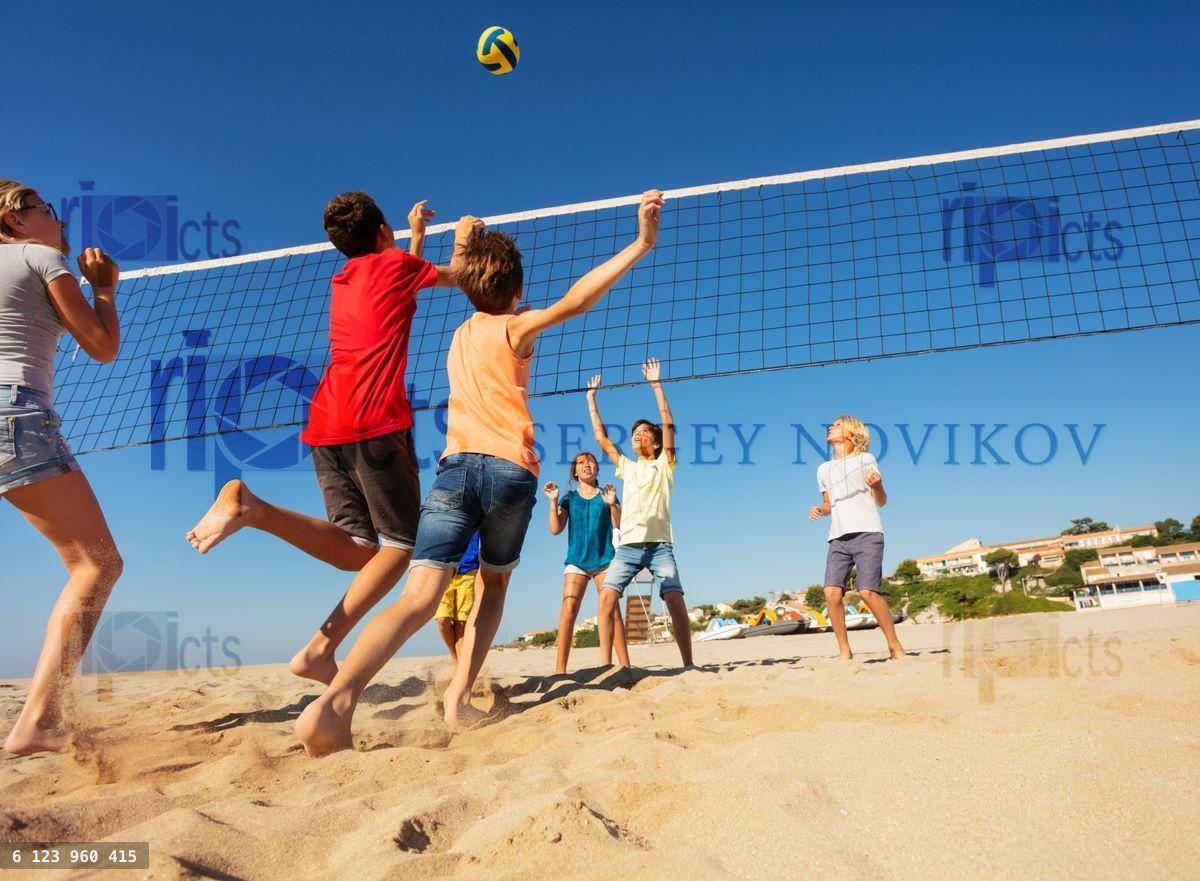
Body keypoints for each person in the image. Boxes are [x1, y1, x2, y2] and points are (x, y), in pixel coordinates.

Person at [294, 189, 665, 755]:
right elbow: (577, 300)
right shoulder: (516, 328)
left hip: (453, 471)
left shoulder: (459, 334)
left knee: (416, 598)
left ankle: (337, 701)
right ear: (517, 291)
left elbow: (451, 281)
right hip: (508, 473)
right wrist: (641, 242)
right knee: (493, 583)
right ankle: (457, 698)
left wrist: (456, 241)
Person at [186, 193, 474, 685]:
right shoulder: (396, 265)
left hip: (325, 421)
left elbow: (406, 276)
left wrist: (415, 236)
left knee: (361, 547)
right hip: (375, 421)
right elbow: (461, 275)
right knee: (402, 546)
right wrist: (465, 231)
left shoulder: (345, 279)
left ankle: (255, 509)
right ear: (384, 232)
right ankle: (321, 646)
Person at [0, 180, 123, 754]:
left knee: (88, 565)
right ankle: (38, 723)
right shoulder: (41, 256)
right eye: (46, 209)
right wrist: (105, 290)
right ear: (16, 219)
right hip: (16, 413)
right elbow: (101, 347)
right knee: (96, 565)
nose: (58, 217)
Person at [588, 358, 693, 668]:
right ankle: (608, 666)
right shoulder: (627, 468)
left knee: (674, 600)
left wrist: (655, 383)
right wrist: (591, 400)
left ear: (656, 442)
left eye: (643, 432)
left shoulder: (665, 465)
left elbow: (668, 421)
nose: (636, 434)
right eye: (634, 432)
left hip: (660, 546)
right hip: (629, 547)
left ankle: (688, 664)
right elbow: (601, 439)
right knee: (606, 599)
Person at [808, 416, 905, 661]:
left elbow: (880, 501)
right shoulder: (823, 469)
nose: (831, 426)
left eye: (839, 424)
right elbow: (829, 504)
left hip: (868, 532)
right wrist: (820, 509)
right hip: (838, 538)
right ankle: (844, 651)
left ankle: (894, 645)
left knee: (867, 592)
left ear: (853, 435)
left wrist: (879, 485)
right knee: (831, 593)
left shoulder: (865, 460)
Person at [545, 452, 627, 673]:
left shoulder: (607, 494)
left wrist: (612, 505)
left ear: (597, 469)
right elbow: (555, 529)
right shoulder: (569, 498)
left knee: (612, 611)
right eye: (581, 462)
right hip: (577, 561)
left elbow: (620, 524)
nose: (586, 465)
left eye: (591, 461)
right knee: (569, 608)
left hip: (604, 559)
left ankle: (622, 666)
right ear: (575, 471)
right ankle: (560, 671)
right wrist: (553, 503)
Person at [435, 532, 479, 662]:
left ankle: (459, 664)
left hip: (469, 569)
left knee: (462, 622)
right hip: (442, 568)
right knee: (442, 619)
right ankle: (454, 656)